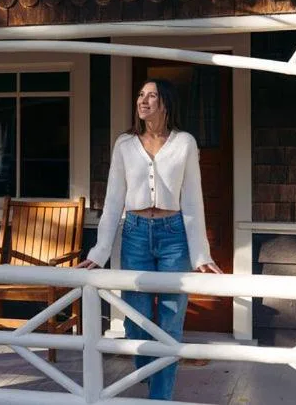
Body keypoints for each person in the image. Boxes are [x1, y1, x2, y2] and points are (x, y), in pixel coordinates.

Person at [77, 78, 222, 400]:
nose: (143, 101)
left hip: (174, 237)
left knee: (170, 323)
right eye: (141, 95)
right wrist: (100, 251)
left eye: (152, 96)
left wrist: (202, 254)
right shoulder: (125, 144)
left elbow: (193, 199)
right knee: (135, 320)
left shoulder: (185, 143)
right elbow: (114, 200)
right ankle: (148, 369)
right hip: (135, 235)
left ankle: (160, 396)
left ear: (166, 103)